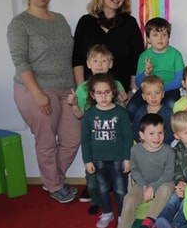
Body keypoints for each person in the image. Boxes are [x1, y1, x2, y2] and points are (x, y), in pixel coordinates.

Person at [7, 0, 80, 204]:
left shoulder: (59, 19)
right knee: (46, 141)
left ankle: (52, 179)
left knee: (72, 139)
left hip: (66, 89)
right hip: (36, 89)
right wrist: (38, 94)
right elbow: (20, 61)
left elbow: (70, 55)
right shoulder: (20, 23)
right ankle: (55, 184)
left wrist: (76, 90)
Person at [67, 44, 127, 214]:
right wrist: (73, 104)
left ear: (111, 64)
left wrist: (123, 101)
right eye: (95, 60)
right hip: (94, 141)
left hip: (114, 140)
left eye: (104, 60)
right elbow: (79, 115)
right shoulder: (82, 88)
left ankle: (121, 203)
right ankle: (95, 200)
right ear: (88, 64)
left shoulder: (116, 85)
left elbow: (122, 113)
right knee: (93, 178)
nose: (99, 64)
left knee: (117, 176)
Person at [72, 0, 143, 94]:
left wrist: (132, 90)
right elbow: (77, 59)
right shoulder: (85, 22)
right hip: (91, 93)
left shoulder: (130, 23)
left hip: (121, 94)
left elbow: (137, 59)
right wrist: (81, 90)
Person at [80, 73, 133, 227]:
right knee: (102, 188)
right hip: (98, 160)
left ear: (113, 92)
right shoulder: (89, 115)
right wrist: (87, 160)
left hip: (117, 159)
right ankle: (107, 213)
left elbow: (127, 138)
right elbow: (85, 140)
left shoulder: (120, 113)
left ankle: (123, 216)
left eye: (107, 92)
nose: (103, 96)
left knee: (120, 189)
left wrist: (126, 158)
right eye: (99, 93)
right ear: (92, 94)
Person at [119, 114, 175, 228]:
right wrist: (144, 185)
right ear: (142, 135)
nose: (157, 137)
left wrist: (153, 187)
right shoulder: (135, 150)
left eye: (160, 133)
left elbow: (168, 174)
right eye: (151, 133)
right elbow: (134, 170)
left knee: (166, 190)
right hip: (143, 183)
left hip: (163, 182)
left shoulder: (169, 151)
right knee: (129, 198)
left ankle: (149, 221)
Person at [129, 17, 185, 116]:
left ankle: (169, 130)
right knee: (132, 107)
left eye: (164, 34)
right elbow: (138, 82)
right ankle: (140, 130)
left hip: (169, 89)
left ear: (168, 38)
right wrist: (145, 73)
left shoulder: (176, 54)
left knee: (171, 104)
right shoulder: (144, 56)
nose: (160, 38)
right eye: (155, 35)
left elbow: (179, 80)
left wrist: (160, 90)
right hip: (148, 90)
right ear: (149, 39)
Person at [131, 75, 174, 145]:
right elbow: (135, 130)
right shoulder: (140, 112)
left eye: (157, 93)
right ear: (143, 96)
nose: (153, 97)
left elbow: (171, 132)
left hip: (162, 147)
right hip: (145, 147)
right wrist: (142, 140)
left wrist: (160, 142)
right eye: (149, 94)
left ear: (162, 94)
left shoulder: (167, 113)